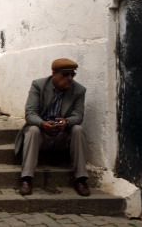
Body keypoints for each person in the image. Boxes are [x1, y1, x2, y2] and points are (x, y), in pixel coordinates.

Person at [14, 58, 90, 197]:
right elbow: (30, 114)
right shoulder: (39, 85)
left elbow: (78, 116)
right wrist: (42, 123)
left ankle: (81, 179)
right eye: (65, 74)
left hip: (62, 135)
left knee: (78, 129)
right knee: (32, 130)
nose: (69, 78)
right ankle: (26, 178)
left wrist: (66, 122)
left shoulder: (79, 90)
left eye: (72, 74)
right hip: (42, 133)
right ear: (54, 73)